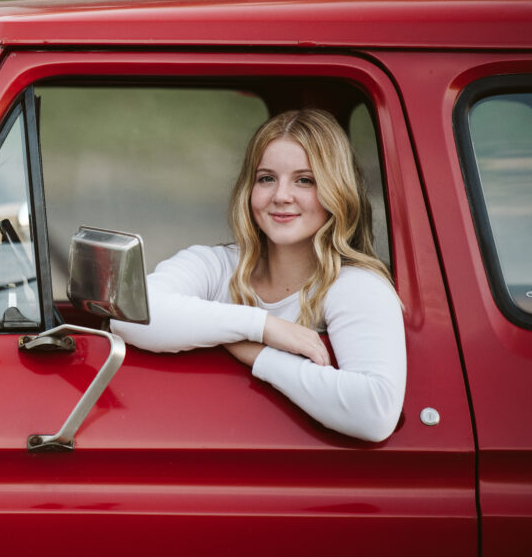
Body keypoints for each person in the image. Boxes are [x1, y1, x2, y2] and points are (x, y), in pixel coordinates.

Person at [112, 108, 406, 442]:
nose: (281, 196)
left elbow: (374, 413)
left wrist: (257, 352)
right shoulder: (218, 265)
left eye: (304, 180)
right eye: (266, 178)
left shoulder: (356, 286)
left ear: (336, 191)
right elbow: (130, 314)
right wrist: (263, 327)